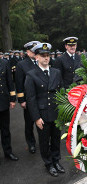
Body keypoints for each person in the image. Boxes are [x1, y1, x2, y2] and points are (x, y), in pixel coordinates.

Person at [25, 43, 65, 177]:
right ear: (36, 57)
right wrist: (36, 118)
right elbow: (31, 99)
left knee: (55, 139)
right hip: (42, 115)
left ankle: (56, 161)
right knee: (44, 141)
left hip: (55, 112)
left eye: (48, 55)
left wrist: (62, 112)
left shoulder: (56, 72)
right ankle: (48, 163)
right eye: (43, 56)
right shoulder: (31, 75)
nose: (46, 58)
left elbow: (61, 92)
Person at [15, 41, 40, 154]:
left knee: (42, 122)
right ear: (27, 52)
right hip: (29, 99)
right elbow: (19, 83)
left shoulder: (41, 60)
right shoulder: (22, 64)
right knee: (29, 123)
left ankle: (44, 141)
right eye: (32, 51)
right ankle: (31, 144)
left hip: (40, 98)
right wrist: (21, 100)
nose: (34, 53)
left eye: (35, 51)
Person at [0, 59, 18, 161]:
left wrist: (12, 99)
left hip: (3, 101)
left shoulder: (4, 63)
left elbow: (9, 81)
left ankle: (8, 152)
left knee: (5, 130)